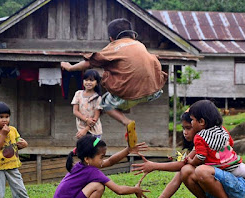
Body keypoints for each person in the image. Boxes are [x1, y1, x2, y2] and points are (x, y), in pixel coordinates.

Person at [61, 18, 168, 147]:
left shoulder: (114, 47)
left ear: (111, 38)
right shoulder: (140, 45)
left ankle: (126, 121)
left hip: (127, 96)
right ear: (133, 35)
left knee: (105, 103)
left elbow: (90, 62)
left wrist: (70, 67)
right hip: (153, 92)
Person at [133, 110, 245, 198]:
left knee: (200, 170)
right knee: (186, 171)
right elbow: (180, 172)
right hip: (224, 191)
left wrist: (154, 166)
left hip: (235, 189)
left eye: (188, 127)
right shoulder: (199, 145)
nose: (185, 132)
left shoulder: (208, 142)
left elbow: (180, 164)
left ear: (200, 124)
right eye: (183, 128)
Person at [51, 135, 149, 198]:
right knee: (98, 186)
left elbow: (110, 161)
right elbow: (119, 190)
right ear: (87, 159)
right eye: (101, 157)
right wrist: (136, 189)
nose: (103, 160)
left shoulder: (80, 166)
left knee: (94, 185)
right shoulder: (91, 171)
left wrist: (128, 150)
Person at [188, 100, 245, 198]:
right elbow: (231, 143)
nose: (191, 123)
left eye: (192, 120)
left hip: (215, 170)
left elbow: (201, 157)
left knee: (199, 173)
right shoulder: (222, 130)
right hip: (233, 167)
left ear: (201, 121)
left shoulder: (199, 137)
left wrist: (192, 161)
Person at [0, 102, 52, 198]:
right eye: (1, 117)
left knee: (21, 190)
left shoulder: (13, 130)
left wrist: (24, 145)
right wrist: (3, 135)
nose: (4, 120)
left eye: (7, 116)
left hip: (13, 166)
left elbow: (15, 145)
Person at [71, 69, 103, 139]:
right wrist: (86, 120)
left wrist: (85, 130)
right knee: (83, 148)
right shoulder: (78, 94)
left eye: (91, 80)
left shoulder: (97, 97)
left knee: (95, 148)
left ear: (97, 83)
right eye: (86, 80)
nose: (88, 82)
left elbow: (95, 118)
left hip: (96, 133)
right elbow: (75, 111)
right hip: (81, 130)